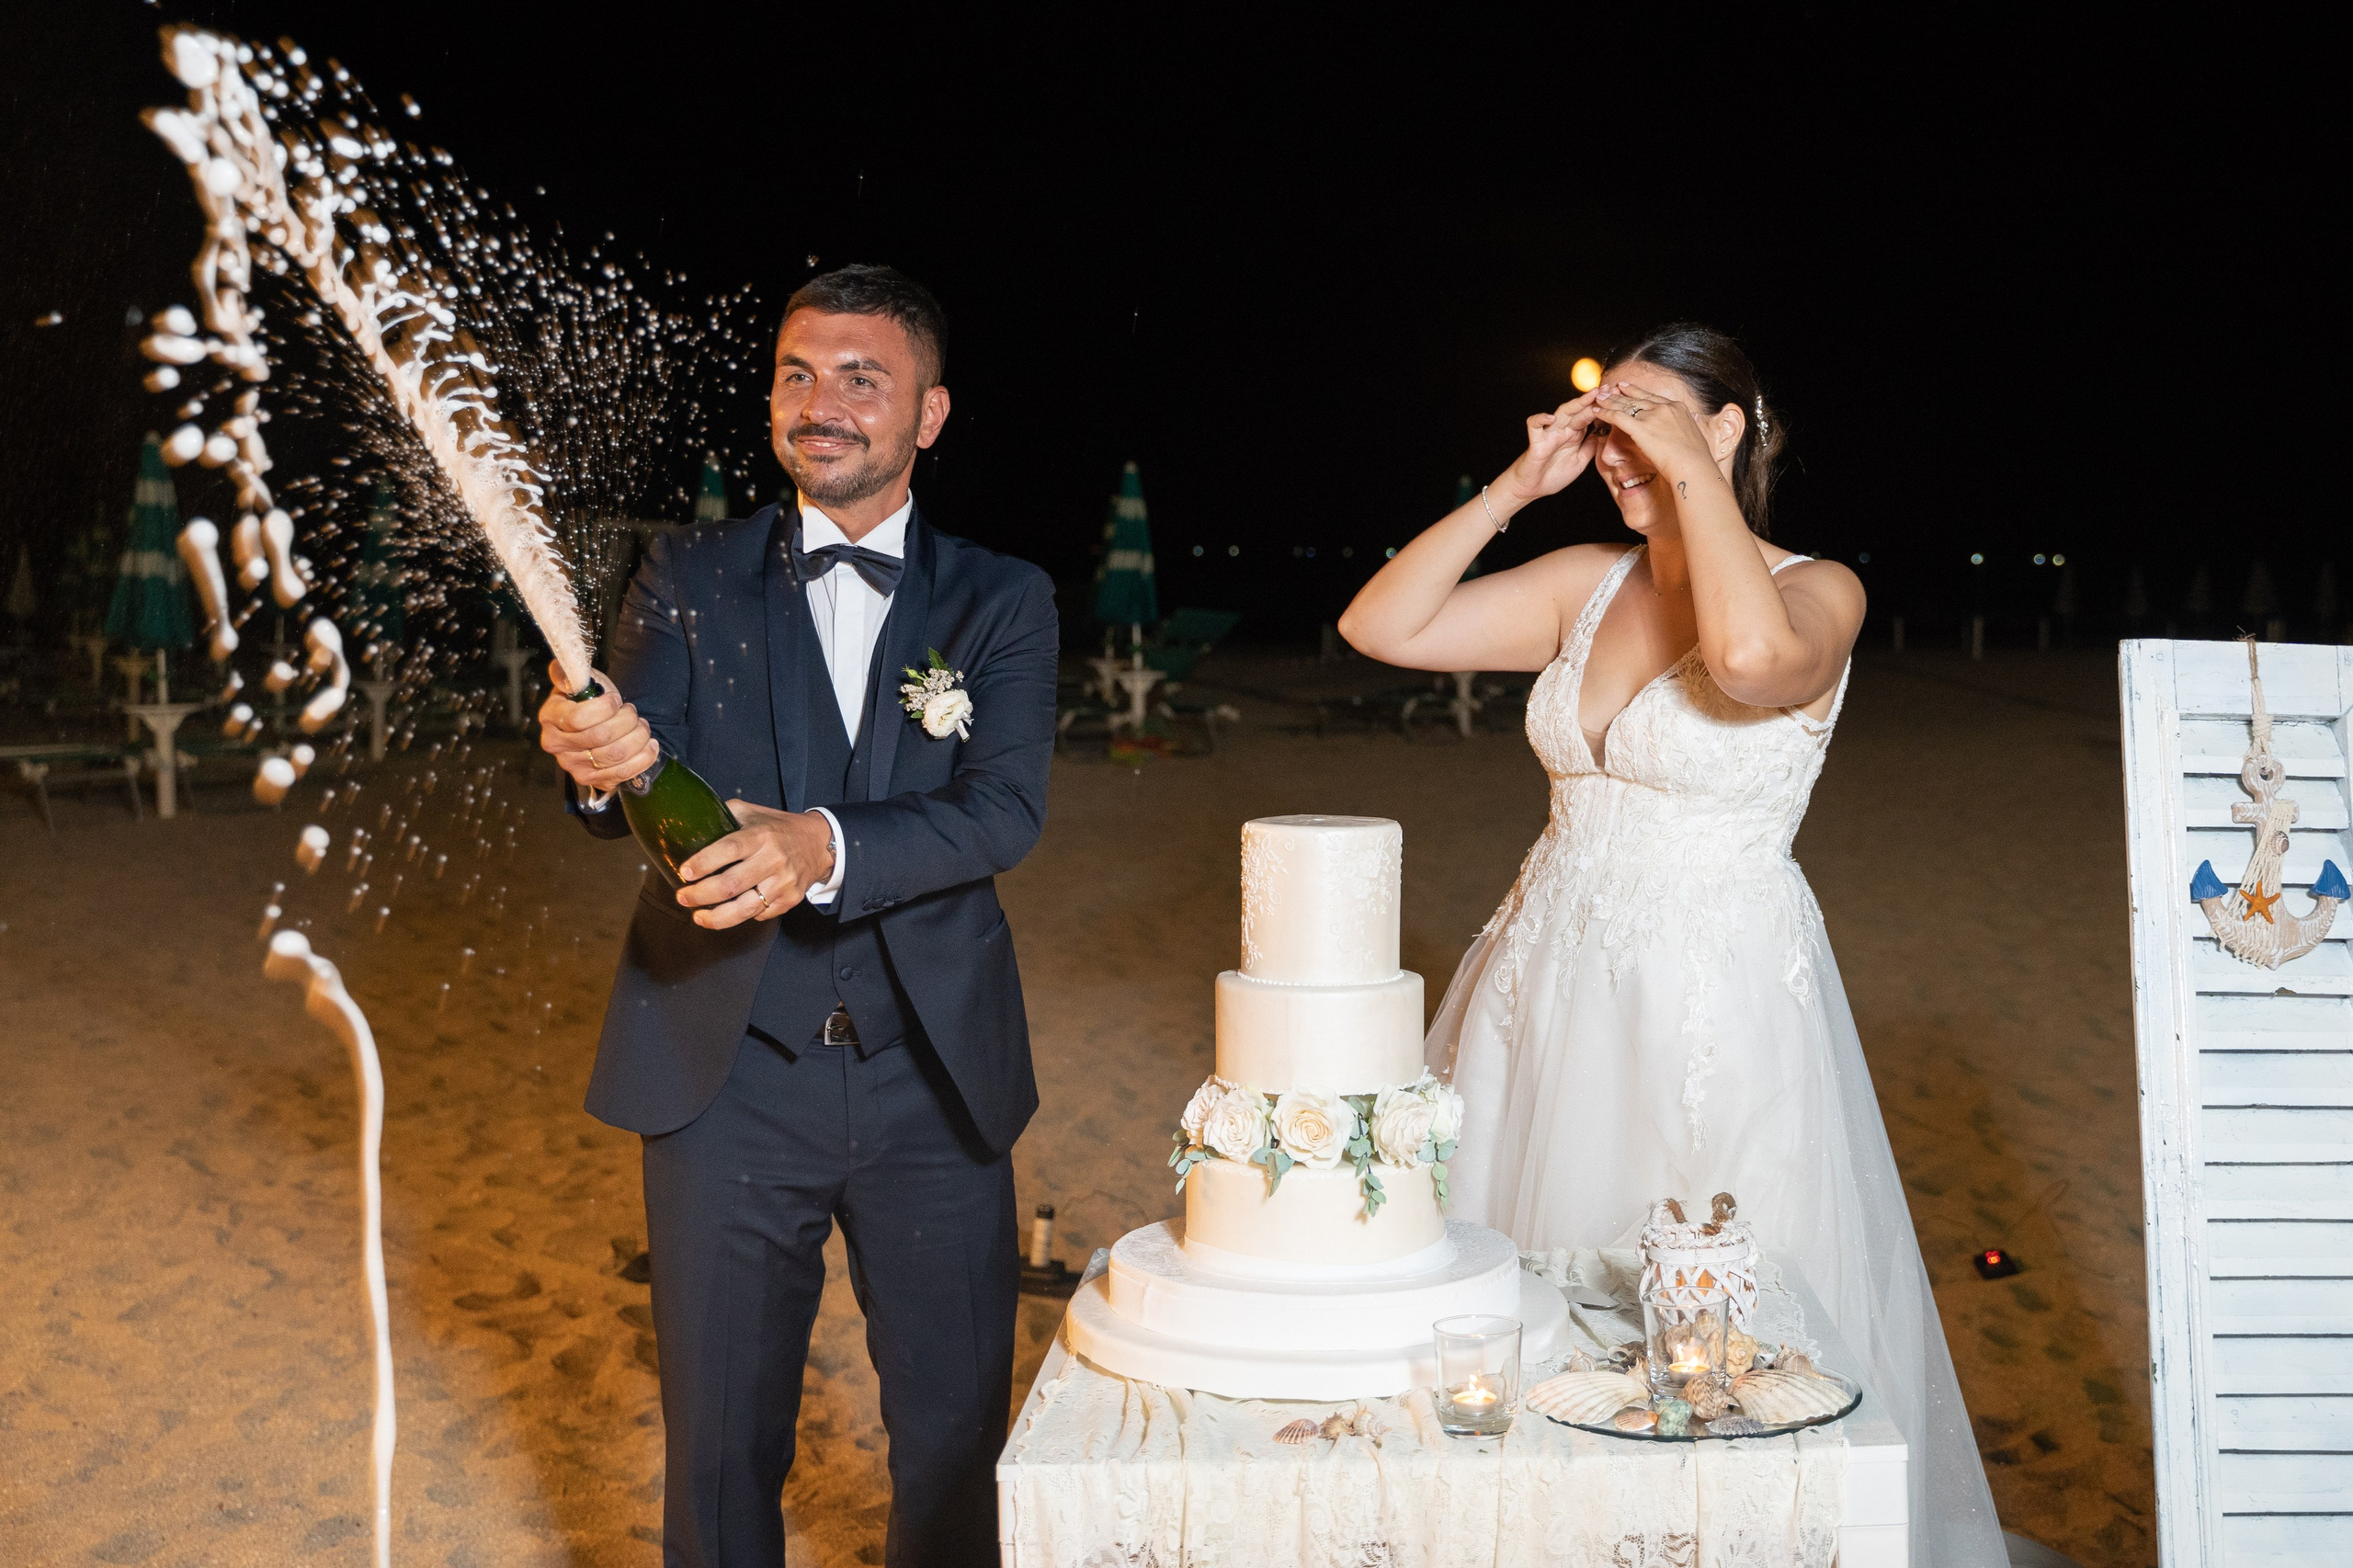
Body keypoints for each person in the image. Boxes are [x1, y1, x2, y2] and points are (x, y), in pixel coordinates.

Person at [1337, 324, 2004, 1566]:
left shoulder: (1821, 589)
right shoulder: (1584, 578)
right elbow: (1383, 625)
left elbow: (1750, 662)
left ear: (1729, 425)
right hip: (1536, 990)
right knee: (1527, 1321)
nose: (1612, 446)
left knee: (1708, 1359)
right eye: (1604, 422)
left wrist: (1686, 468)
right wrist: (1514, 490)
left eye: (1647, 413)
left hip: (1713, 1002)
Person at [537, 265, 1058, 1568]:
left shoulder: (1004, 599)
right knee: (719, 1453)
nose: (820, 405)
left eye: (861, 379)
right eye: (796, 374)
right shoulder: (687, 572)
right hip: (726, 1076)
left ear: (930, 415)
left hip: (934, 1079)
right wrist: (597, 765)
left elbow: (1003, 811)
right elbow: (634, 789)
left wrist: (822, 841)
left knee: (952, 1451)